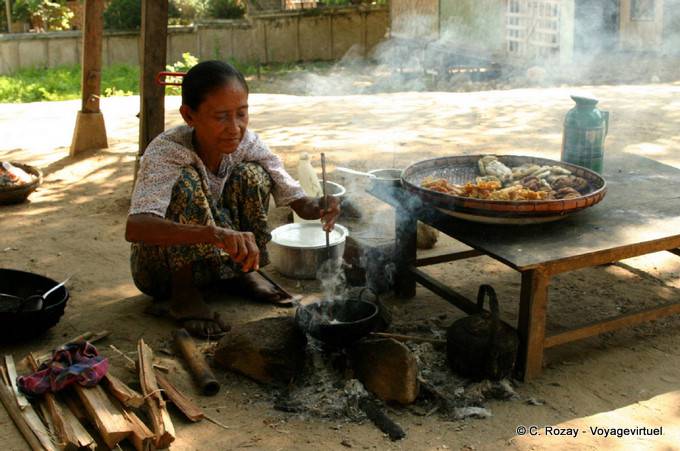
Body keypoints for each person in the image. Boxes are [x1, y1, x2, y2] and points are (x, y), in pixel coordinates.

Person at [125, 60, 340, 338]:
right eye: (221, 116)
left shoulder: (247, 143)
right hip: (160, 272)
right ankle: (184, 295)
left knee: (254, 174)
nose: (235, 127)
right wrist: (213, 234)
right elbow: (136, 227)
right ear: (189, 116)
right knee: (185, 183)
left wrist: (320, 205)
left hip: (216, 262)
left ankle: (242, 272)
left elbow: (296, 198)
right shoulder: (167, 151)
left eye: (241, 114)